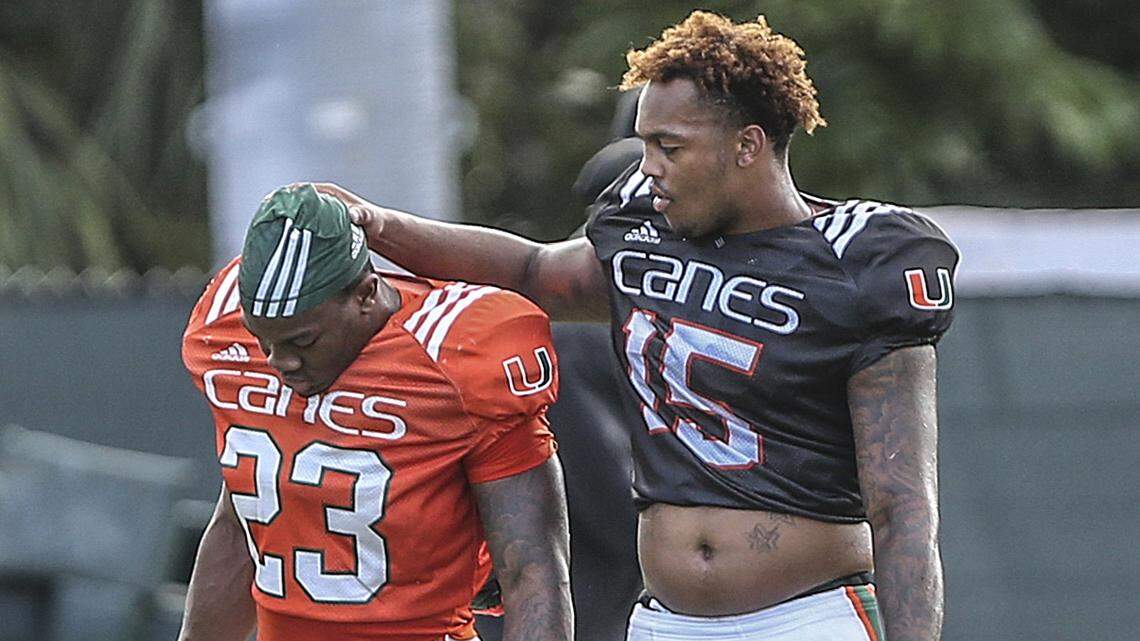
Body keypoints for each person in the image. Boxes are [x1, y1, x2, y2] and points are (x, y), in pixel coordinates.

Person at [317, 10, 957, 640]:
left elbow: (901, 505)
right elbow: (532, 268)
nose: (647, 166)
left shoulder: (861, 262)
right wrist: (382, 226)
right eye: (647, 143)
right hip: (663, 620)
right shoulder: (646, 235)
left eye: (669, 147)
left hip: (808, 616)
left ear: (748, 144)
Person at [178, 185, 573, 641]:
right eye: (263, 340)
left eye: (302, 341)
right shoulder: (228, 339)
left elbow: (533, 568)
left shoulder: (455, 356)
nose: (278, 361)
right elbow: (241, 521)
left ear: (366, 295)